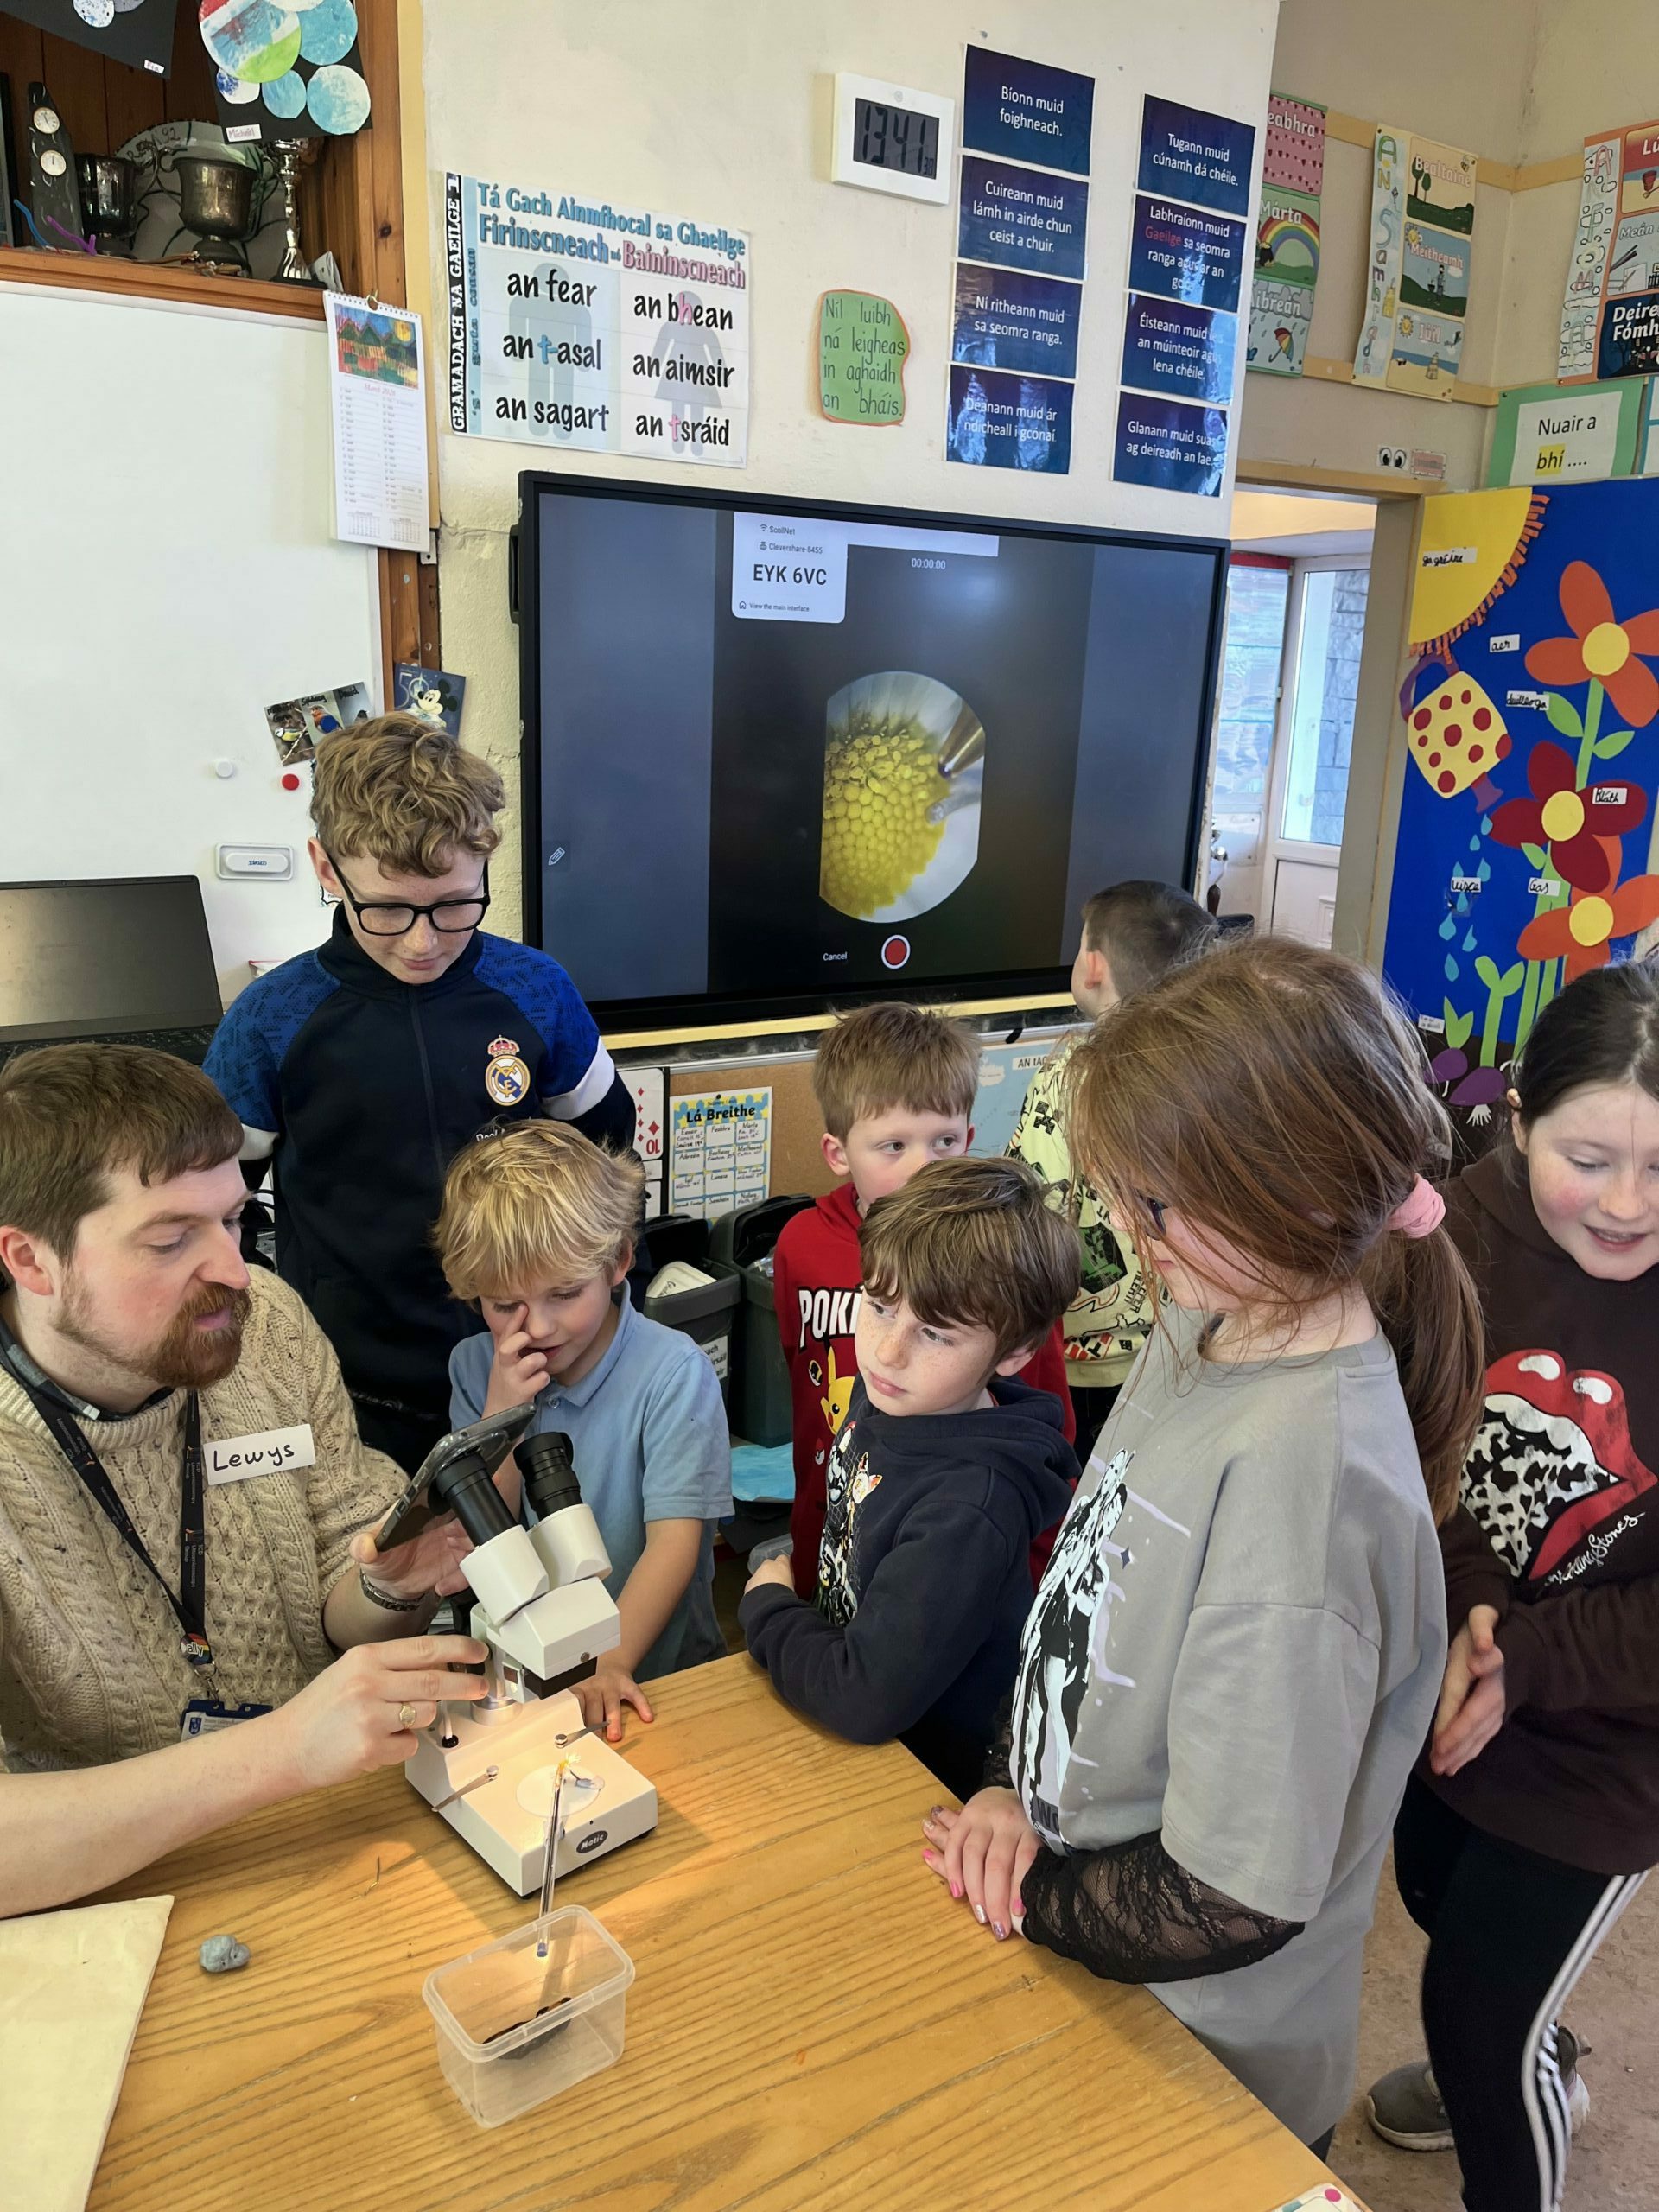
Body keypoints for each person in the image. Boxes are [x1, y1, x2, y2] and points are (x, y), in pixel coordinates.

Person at [922, 938, 1483, 2155]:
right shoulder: (1206, 1315)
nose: (1127, 1229)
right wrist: (1012, 1787)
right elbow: (1096, 1602)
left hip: (1205, 2062)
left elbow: (1231, 1894)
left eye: (1157, 1203)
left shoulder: (1307, 1493)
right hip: (1092, 1961)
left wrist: (1030, 1890)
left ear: (1301, 1198)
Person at [0, 1045, 492, 1919]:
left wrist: (387, 1587)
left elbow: (340, 1603)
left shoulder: (267, 1329)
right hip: (115, 1904)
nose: (232, 1270)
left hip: (323, 1841)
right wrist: (280, 1752)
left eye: (234, 1218)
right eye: (170, 1239)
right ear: (30, 1260)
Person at [1366, 961, 1659, 2212]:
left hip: (1612, 1740)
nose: (1630, 1204)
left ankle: (1515, 2064)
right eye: (1591, 1159)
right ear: (1520, 1121)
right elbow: (1413, 1434)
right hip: (1452, 1663)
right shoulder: (1455, 1231)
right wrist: (1473, 1604)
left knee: (1474, 2018)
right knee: (1436, 1893)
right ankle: (1542, 2051)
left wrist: (1525, 1658)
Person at [204, 714, 634, 1472]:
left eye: (454, 905)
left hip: (537, 1372)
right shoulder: (271, 1020)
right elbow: (210, 1208)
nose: (422, 942)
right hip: (354, 1396)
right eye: (387, 909)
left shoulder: (536, 990)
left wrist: (605, 1320)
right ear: (326, 867)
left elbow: (610, 1158)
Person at [741, 1159, 1078, 1799]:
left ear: (1013, 1353)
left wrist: (768, 1610)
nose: (887, 1352)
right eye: (878, 1306)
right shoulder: (896, 1395)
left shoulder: (968, 1512)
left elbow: (864, 1697)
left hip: (921, 1784)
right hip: (852, 1742)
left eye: (935, 1334)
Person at [439, 1120, 731, 1743]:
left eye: (565, 1293)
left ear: (618, 1261)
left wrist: (610, 1664)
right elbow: (485, 1538)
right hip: (531, 1685)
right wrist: (502, 1415)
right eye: (503, 1305)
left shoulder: (674, 1373)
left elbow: (675, 1544)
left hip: (658, 1679)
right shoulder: (474, 1367)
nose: (537, 1327)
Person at [772, 1001, 1074, 1600]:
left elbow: (1044, 1432)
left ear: (969, 1138)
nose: (923, 1167)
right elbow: (801, 1383)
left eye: (943, 1141)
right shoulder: (800, 1246)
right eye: (894, 1146)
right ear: (838, 1153)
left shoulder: (1003, 1264)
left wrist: (1033, 1574)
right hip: (832, 1531)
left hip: (954, 1554)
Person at [1008, 880, 1217, 1465]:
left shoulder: (1068, 1076)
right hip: (1184, 1346)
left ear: (1093, 966)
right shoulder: (1212, 1077)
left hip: (1083, 1365)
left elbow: (1037, 1208)